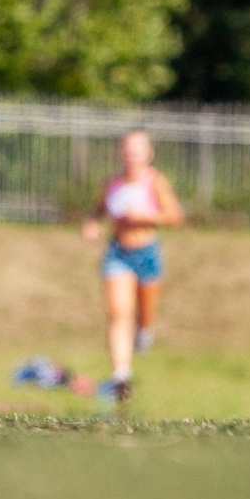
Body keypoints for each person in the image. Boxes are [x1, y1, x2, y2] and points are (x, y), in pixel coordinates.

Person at [79, 129, 181, 406]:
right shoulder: (112, 184)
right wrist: (92, 224)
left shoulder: (155, 181)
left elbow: (174, 216)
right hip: (118, 252)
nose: (132, 154)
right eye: (127, 149)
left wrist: (145, 217)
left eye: (138, 149)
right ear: (121, 152)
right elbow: (97, 210)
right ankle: (121, 376)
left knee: (144, 318)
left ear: (149, 153)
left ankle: (144, 332)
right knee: (118, 313)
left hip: (146, 253)